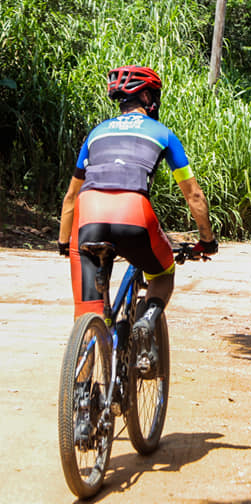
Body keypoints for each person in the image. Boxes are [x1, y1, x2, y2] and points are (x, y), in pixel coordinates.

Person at [57, 65, 217, 374]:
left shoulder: (96, 133)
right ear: (147, 97)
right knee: (163, 273)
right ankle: (146, 320)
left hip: (88, 217)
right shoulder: (163, 134)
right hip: (133, 213)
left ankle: (81, 399)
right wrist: (206, 241)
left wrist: (65, 242)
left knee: (88, 314)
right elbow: (194, 196)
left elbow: (70, 198)